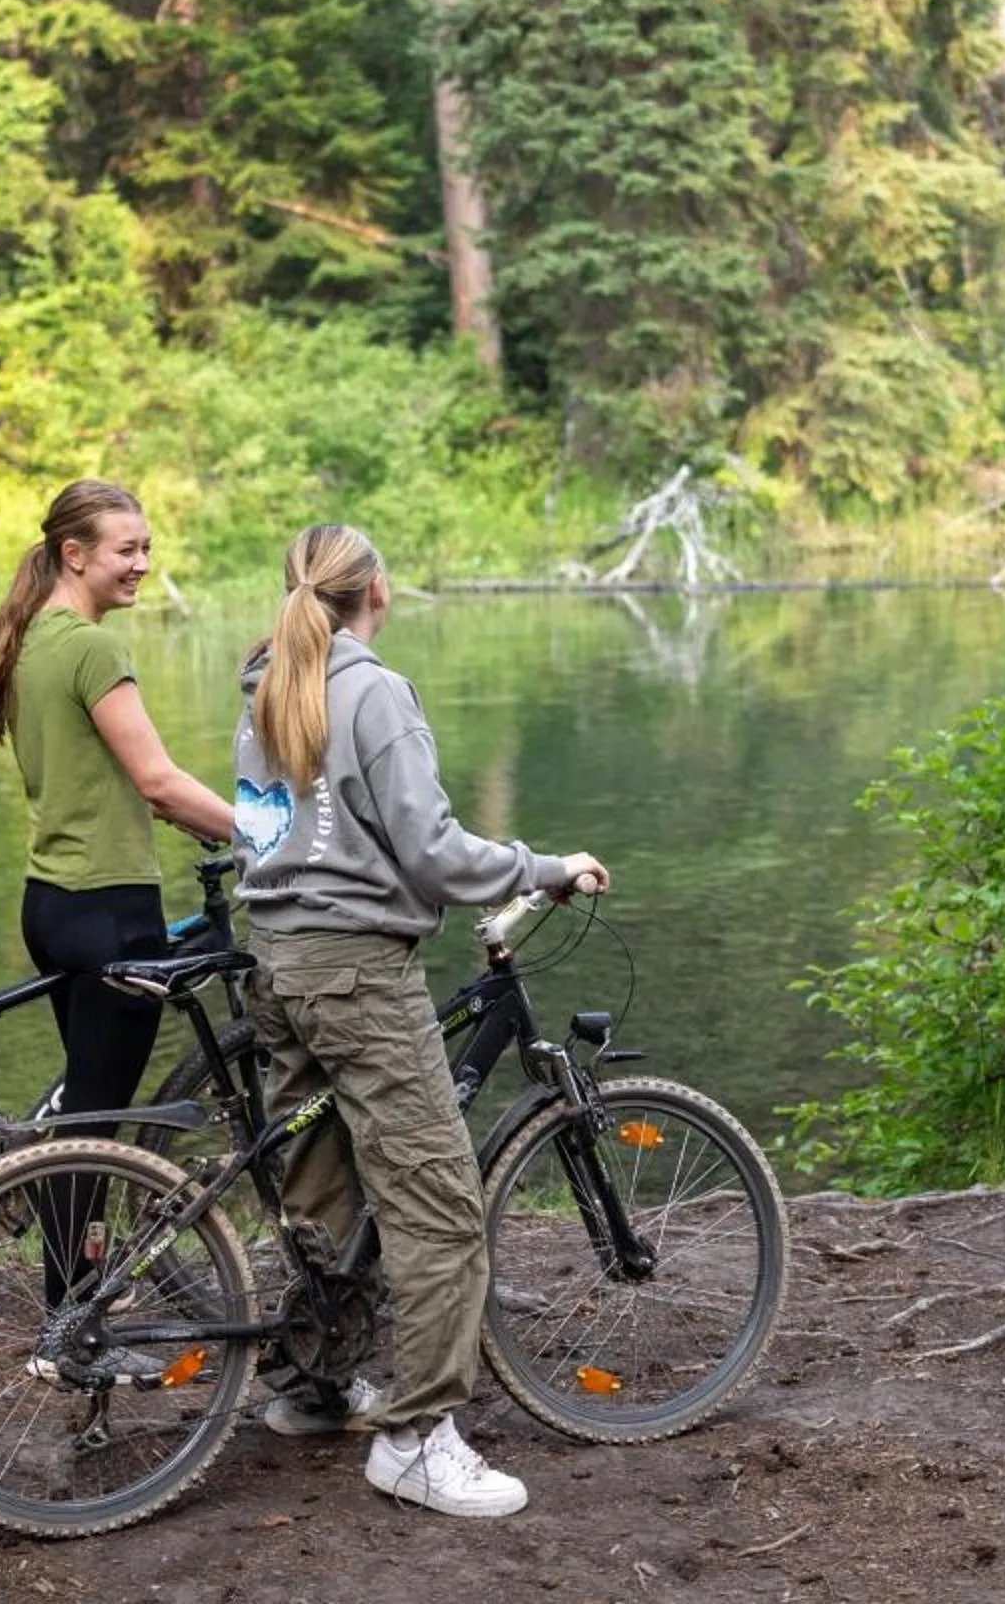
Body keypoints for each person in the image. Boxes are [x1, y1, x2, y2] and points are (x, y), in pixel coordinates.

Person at [230, 522, 608, 1520]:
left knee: (321, 1183)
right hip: (357, 974)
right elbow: (435, 855)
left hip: (279, 964)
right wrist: (543, 866)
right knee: (440, 1207)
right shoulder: (374, 692)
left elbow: (261, 836)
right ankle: (417, 1438)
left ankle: (314, 1386)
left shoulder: (263, 687)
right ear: (377, 593)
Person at [0, 480, 235, 1270]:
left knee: (82, 1114)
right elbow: (159, 782)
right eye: (126, 549)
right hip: (109, 908)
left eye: (147, 548)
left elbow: (117, 784)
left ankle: (69, 1290)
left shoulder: (32, 641)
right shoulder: (92, 649)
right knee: (93, 1131)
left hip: (52, 903)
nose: (141, 563)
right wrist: (268, 837)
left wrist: (203, 820)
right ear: (73, 555)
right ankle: (70, 1310)